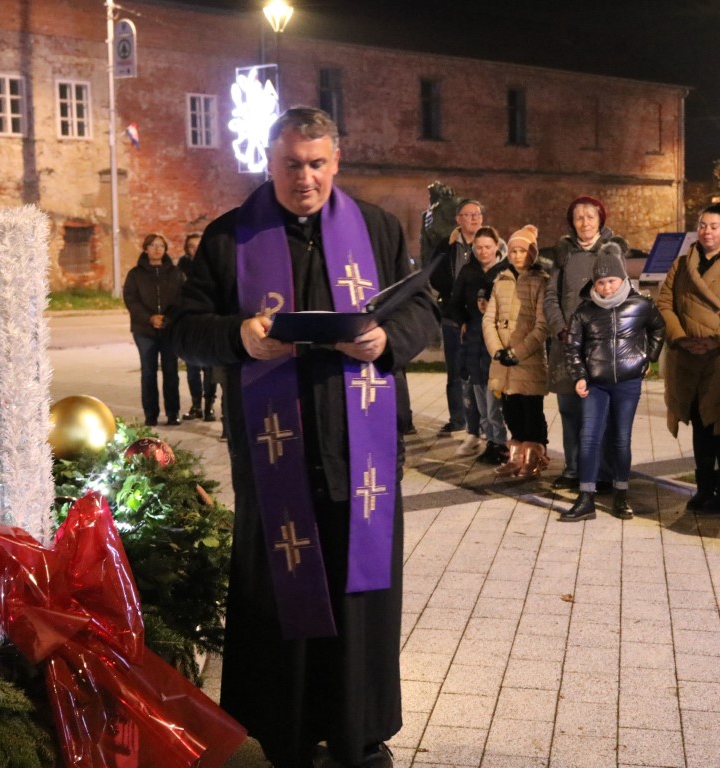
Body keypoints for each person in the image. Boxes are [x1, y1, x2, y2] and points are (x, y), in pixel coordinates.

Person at [169, 107, 436, 767]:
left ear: (336, 163)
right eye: (292, 163)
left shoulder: (375, 228)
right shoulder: (231, 237)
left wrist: (385, 341)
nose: (306, 178)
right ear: (270, 161)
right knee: (280, 603)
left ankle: (359, 735)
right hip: (274, 461)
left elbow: (420, 309)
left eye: (318, 164)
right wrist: (240, 337)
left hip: (361, 460)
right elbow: (181, 326)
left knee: (360, 597)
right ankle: (287, 736)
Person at [658, 201, 720, 514]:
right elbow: (664, 303)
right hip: (689, 355)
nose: (707, 231)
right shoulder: (684, 262)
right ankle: (704, 487)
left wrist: (717, 339)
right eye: (702, 225)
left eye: (714, 226)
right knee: (700, 426)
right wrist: (681, 337)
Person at [560, 244, 665, 521]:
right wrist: (579, 375)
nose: (606, 288)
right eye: (601, 282)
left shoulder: (640, 304)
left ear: (622, 280)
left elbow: (658, 327)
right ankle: (586, 498)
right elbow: (572, 347)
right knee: (589, 437)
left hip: (627, 383)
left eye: (611, 281)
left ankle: (621, 495)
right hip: (595, 383)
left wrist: (647, 358)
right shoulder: (584, 311)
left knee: (621, 439)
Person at [543, 195, 629, 491]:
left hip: (598, 347)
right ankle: (573, 468)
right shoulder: (564, 254)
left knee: (599, 411)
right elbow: (551, 296)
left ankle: (603, 473)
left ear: (600, 220)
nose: (585, 223)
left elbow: (619, 295)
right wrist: (560, 328)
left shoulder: (610, 252)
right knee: (569, 411)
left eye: (590, 217)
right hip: (567, 343)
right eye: (579, 217)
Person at [482, 225, 549, 477]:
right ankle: (516, 455)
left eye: (523, 251)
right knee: (510, 411)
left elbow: (543, 325)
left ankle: (534, 456)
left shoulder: (540, 281)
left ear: (532, 253)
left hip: (527, 361)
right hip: (503, 363)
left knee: (531, 411)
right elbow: (489, 318)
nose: (517, 255)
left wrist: (519, 352)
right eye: (513, 251)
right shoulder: (501, 281)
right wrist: (496, 349)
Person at [446, 225, 510, 464]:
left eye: (488, 247)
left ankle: (501, 443)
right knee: (478, 394)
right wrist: (463, 320)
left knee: (495, 398)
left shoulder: (505, 271)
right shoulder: (468, 271)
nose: (483, 251)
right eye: (479, 247)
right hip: (474, 336)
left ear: (496, 247)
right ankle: (490, 442)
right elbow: (453, 303)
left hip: (497, 338)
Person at [429, 198, 486, 436]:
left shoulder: (489, 243)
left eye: (477, 214)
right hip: (452, 317)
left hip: (480, 319)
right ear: (458, 219)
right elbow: (434, 274)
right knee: (454, 371)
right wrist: (452, 293)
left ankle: (483, 420)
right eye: (468, 214)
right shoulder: (447, 245)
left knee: (481, 371)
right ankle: (457, 419)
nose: (474, 217)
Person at [123, 233, 184, 427]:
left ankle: (173, 413)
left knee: (171, 371)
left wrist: (168, 318)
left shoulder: (175, 273)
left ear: (165, 249)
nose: (157, 249)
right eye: (152, 245)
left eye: (161, 245)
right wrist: (150, 318)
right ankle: (151, 415)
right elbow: (131, 300)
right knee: (148, 372)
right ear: (145, 248)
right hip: (144, 331)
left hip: (169, 329)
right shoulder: (135, 274)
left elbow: (182, 299)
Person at [177, 233, 219, 421]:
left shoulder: (211, 265)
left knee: (209, 369)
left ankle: (209, 405)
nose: (195, 249)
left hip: (209, 322)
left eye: (198, 245)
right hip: (191, 322)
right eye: (191, 246)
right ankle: (196, 405)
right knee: (192, 368)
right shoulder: (181, 269)